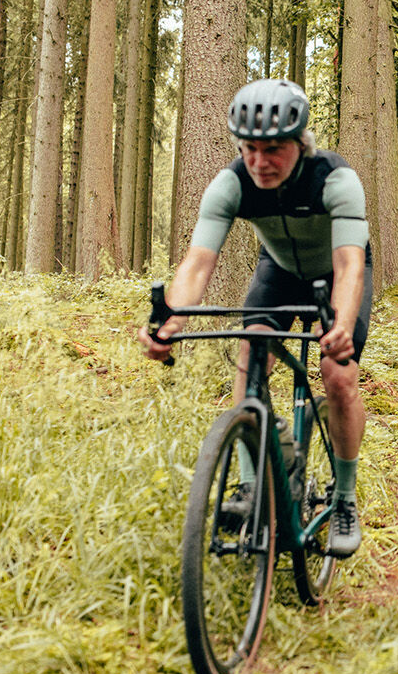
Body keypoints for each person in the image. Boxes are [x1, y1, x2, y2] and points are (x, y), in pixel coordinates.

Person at [138, 79, 371, 558]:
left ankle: (344, 498)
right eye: (249, 149)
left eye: (273, 149)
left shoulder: (335, 179)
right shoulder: (231, 183)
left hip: (337, 273)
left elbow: (350, 264)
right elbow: (198, 262)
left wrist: (341, 325)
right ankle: (249, 487)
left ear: (300, 144)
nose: (260, 162)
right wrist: (170, 321)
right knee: (251, 353)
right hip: (280, 272)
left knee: (338, 375)